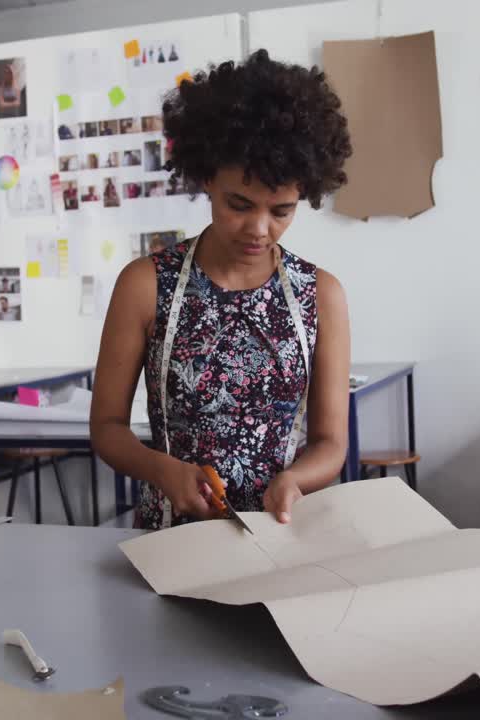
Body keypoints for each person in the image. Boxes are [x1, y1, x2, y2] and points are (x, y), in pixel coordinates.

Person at [90, 49, 354, 530]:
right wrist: (162, 470)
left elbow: (330, 443)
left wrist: (295, 479)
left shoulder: (320, 295)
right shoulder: (146, 285)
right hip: (171, 538)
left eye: (281, 211)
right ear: (207, 177)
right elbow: (107, 428)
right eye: (239, 204)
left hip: (278, 534)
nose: (258, 229)